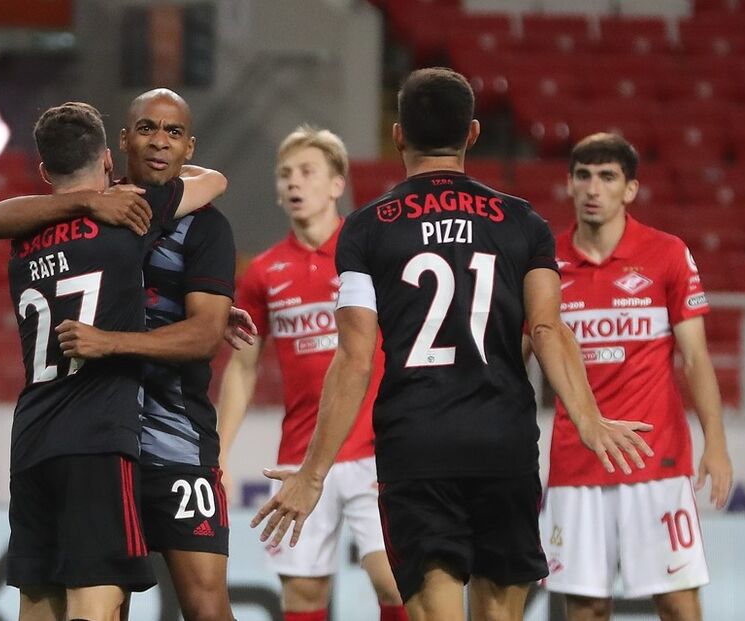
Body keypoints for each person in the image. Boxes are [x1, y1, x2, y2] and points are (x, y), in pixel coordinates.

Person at [250, 68, 654, 621]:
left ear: (398, 136)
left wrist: (312, 473)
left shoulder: (366, 229)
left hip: (416, 448)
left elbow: (355, 357)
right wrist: (588, 417)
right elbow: (547, 329)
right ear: (472, 133)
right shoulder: (524, 223)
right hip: (503, 444)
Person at [0, 89, 241, 621]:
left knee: (205, 604)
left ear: (188, 146)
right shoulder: (114, 210)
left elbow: (203, 336)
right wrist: (90, 201)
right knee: (103, 599)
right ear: (116, 146)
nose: (159, 142)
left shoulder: (204, 225)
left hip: (172, 435)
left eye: (173, 133)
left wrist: (186, 312)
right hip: (104, 435)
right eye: (147, 129)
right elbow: (215, 178)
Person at [534, 133, 733, 621]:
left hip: (655, 460)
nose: (593, 189)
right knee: (586, 609)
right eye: (583, 176)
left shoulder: (666, 253)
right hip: (576, 461)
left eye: (607, 177)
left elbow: (696, 358)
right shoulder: (545, 263)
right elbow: (517, 354)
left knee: (678, 603)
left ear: (630, 189)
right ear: (568, 183)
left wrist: (716, 444)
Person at [216, 125, 407, 621]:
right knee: (302, 596)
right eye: (285, 174)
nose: (294, 182)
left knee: (395, 583)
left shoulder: (370, 255)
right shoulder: (264, 271)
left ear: (337, 184)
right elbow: (243, 367)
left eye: (307, 171)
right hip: (299, 457)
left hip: (375, 451)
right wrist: (219, 453)